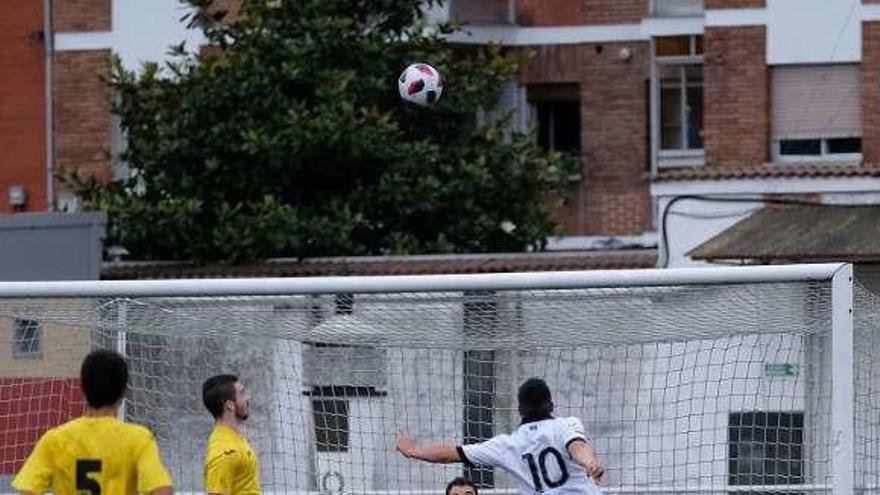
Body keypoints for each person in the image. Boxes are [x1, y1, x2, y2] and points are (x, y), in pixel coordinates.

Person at [397, 378, 604, 495]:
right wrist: (590, 462)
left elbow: (450, 453)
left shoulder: (506, 445)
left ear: (520, 409)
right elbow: (576, 446)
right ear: (550, 405)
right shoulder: (566, 424)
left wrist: (412, 450)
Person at [13, 349, 174, 495]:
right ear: (124, 392)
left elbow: (27, 490)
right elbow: (162, 490)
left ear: (82, 388)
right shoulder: (138, 438)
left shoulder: (54, 439)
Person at [202, 374, 260, 495]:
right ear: (230, 405)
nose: (248, 398)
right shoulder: (224, 452)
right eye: (242, 393)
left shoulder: (233, 437)